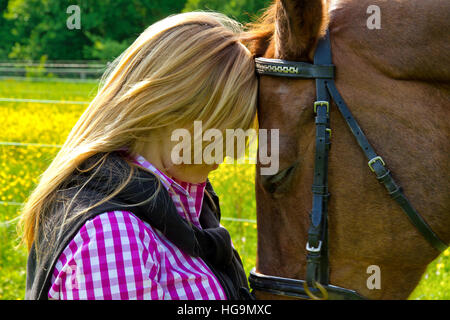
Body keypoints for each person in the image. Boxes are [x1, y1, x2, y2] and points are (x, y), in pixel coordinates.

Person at [20, 12, 257, 300]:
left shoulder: (176, 201)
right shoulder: (112, 234)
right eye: (227, 129)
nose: (231, 151)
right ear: (174, 111)